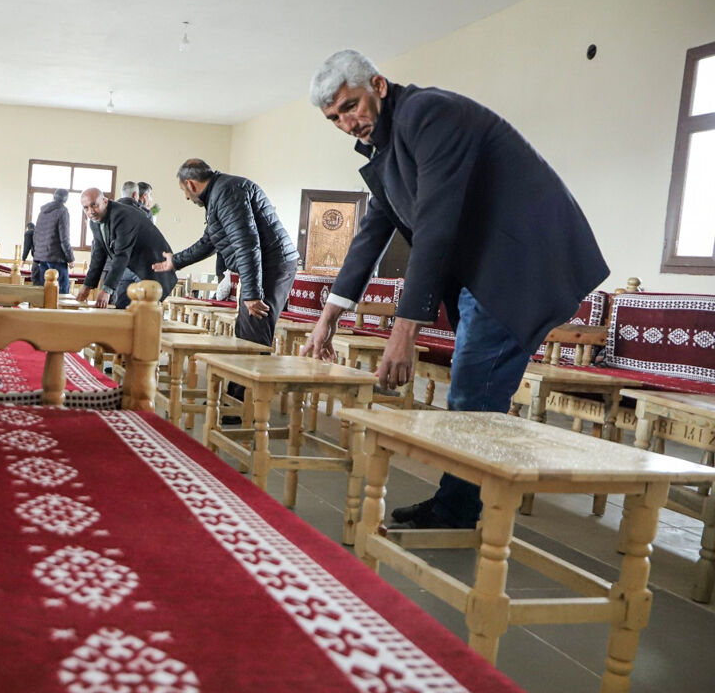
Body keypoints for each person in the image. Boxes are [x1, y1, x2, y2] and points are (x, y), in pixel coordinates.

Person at [301, 49, 608, 530]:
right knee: (473, 389)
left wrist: (405, 333)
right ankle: (458, 504)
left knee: (472, 389)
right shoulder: (388, 147)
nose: (346, 123)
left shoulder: (428, 113)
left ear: (378, 86)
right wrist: (328, 316)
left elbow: (435, 225)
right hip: (484, 268)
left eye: (350, 106)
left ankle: (459, 511)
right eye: (334, 117)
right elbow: (373, 231)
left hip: (518, 262)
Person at [152, 158, 298, 356]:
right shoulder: (219, 192)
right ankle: (239, 386)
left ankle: (250, 386)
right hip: (264, 264)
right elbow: (210, 241)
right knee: (245, 332)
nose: (186, 197)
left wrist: (253, 294)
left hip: (271, 264)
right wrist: (176, 261)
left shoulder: (226, 192)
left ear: (190, 184)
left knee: (252, 336)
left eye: (183, 191)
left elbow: (246, 243)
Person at [77, 188, 176, 307]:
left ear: (105, 201)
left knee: (144, 313)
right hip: (129, 266)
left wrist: (106, 290)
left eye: (94, 205)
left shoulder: (123, 215)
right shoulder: (94, 221)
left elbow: (122, 254)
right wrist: (87, 285)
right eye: (86, 208)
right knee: (121, 309)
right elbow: (99, 254)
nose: (91, 211)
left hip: (151, 267)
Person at [31, 190, 75, 293]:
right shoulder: (63, 211)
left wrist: (36, 254)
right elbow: (64, 238)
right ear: (66, 199)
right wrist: (70, 258)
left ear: (54, 197)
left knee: (44, 294)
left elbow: (36, 234)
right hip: (56, 259)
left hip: (41, 258)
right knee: (60, 294)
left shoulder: (42, 212)